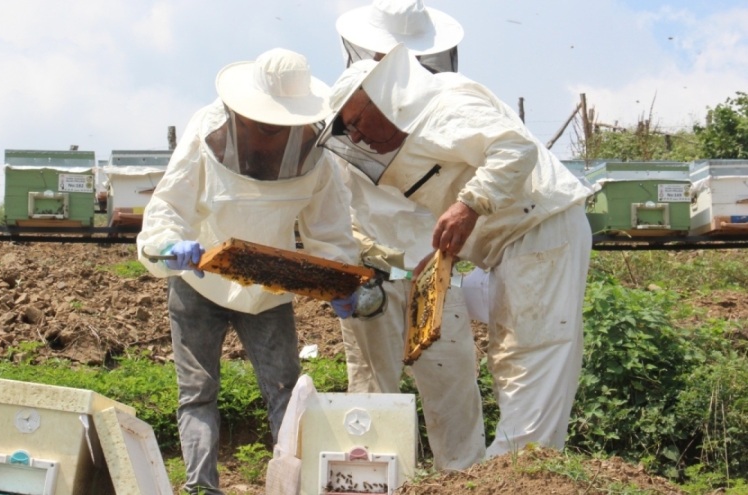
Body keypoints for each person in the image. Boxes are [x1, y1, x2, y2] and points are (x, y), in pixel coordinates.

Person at [318, 44, 593, 463]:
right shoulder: (422, 122)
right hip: (515, 244)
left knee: (532, 362)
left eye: (355, 121)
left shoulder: (444, 103)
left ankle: (518, 477)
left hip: (539, 233)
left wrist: (469, 205)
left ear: (380, 94)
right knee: (512, 362)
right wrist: (445, 257)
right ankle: (514, 474)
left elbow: (516, 149)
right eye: (346, 130)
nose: (354, 136)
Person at [136, 48, 359, 495]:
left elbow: (329, 229)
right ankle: (201, 488)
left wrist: (341, 278)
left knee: (285, 391)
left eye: (285, 126)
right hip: (199, 283)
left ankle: (293, 486)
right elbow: (167, 207)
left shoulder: (317, 153)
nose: (276, 134)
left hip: (268, 288)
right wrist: (167, 246)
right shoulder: (205, 130)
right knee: (197, 393)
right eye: (266, 124)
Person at [333, 0, 488, 470]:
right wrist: (349, 264)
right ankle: (370, 479)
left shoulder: (446, 104)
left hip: (436, 269)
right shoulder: (347, 101)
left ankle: (462, 481)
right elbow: (331, 200)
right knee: (370, 394)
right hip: (371, 273)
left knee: (453, 388)